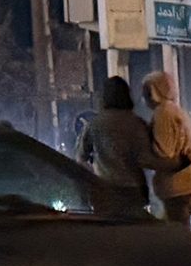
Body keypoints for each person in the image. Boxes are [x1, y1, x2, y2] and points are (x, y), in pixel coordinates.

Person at [76, 77, 183, 216]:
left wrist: (95, 177)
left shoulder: (94, 125)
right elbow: (146, 159)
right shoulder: (136, 123)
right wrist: (173, 164)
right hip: (132, 190)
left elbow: (80, 158)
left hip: (104, 190)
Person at [143, 71, 191, 227]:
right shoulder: (176, 110)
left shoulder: (163, 113)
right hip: (189, 181)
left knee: (178, 230)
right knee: (179, 226)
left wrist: (143, 155)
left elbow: (165, 151)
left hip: (177, 185)